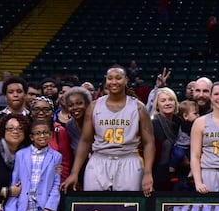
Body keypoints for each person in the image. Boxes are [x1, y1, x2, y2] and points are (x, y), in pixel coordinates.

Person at [61, 65, 155, 195]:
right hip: (99, 159)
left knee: (128, 208)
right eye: (110, 78)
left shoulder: (138, 107)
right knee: (93, 204)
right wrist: (74, 173)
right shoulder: (94, 106)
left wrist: (148, 173)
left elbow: (149, 142)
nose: (114, 82)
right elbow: (85, 141)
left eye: (118, 78)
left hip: (129, 159)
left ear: (126, 80)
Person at [150, 87, 182, 191]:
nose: (167, 103)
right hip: (158, 176)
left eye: (171, 99)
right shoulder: (153, 124)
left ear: (176, 103)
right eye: (163, 101)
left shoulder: (181, 122)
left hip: (180, 174)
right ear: (157, 105)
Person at [169, 100, 198, 178]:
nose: (198, 115)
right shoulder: (184, 124)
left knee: (194, 159)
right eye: (195, 113)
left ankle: (191, 173)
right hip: (180, 145)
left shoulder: (196, 123)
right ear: (185, 116)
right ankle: (172, 168)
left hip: (190, 147)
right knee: (179, 155)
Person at [63, 86, 93, 155]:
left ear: (87, 104)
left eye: (79, 103)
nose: (75, 108)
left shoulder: (96, 122)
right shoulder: (69, 126)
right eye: (70, 105)